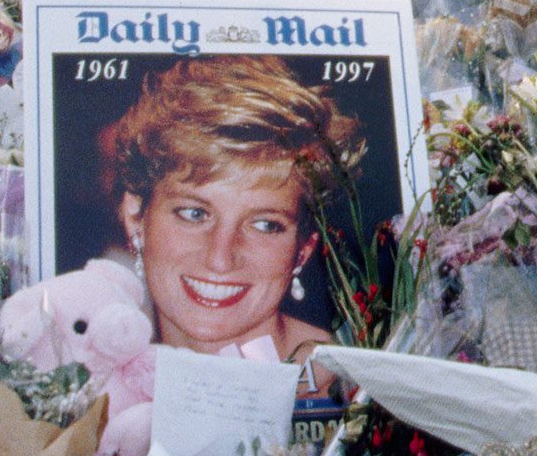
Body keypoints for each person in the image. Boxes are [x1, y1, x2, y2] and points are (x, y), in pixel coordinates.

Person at [99, 55, 364, 363]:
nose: (220, 259)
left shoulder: (351, 387)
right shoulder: (89, 379)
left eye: (265, 224)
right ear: (135, 218)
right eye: (194, 214)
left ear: (303, 249)